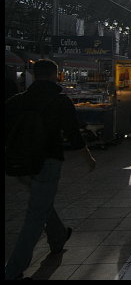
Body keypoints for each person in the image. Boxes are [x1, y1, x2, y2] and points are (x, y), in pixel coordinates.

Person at [5, 59, 96, 280]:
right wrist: (88, 157)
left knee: (41, 201)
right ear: (56, 75)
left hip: (21, 163)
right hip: (48, 161)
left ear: (33, 76)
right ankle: (13, 269)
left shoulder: (16, 101)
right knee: (35, 214)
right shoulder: (59, 100)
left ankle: (58, 237)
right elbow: (73, 134)